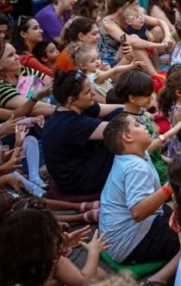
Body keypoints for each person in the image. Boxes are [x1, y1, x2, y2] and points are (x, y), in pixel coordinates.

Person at [99, 114, 180, 286]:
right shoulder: (135, 167)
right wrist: (171, 184)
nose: (144, 126)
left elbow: (152, 146)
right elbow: (138, 212)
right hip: (128, 243)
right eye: (137, 124)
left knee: (180, 211)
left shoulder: (133, 154)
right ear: (127, 137)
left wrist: (175, 129)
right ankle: (160, 280)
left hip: (117, 236)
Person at [42, 69, 125, 197]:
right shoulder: (70, 124)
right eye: (87, 92)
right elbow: (121, 129)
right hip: (76, 181)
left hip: (82, 162)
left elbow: (119, 109)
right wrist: (140, 113)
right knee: (122, 138)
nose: (92, 94)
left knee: (118, 115)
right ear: (71, 100)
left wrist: (137, 110)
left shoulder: (75, 106)